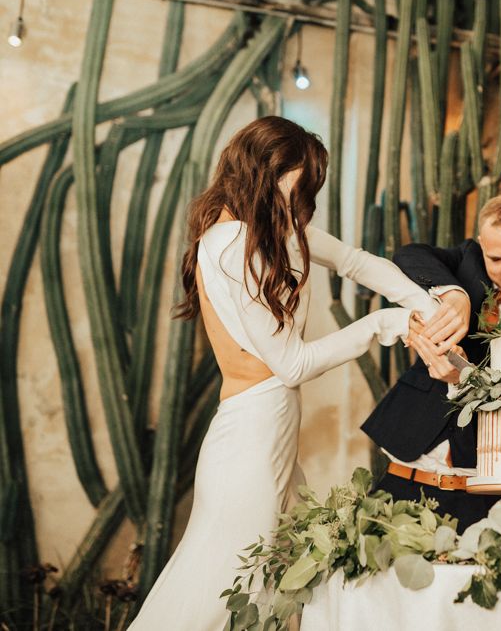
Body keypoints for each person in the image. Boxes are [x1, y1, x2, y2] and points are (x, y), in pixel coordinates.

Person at [128, 116, 438, 630]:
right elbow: (290, 364)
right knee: (220, 591)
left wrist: (428, 306)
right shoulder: (230, 243)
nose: (297, 205)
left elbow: (356, 262)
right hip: (250, 435)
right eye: (292, 186)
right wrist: (386, 323)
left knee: (276, 586)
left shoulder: (267, 230)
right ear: (256, 170)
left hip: (268, 431)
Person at [362, 193, 501, 531]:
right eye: (496, 258)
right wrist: (455, 294)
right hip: (403, 469)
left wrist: (463, 379)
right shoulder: (467, 260)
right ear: (482, 246)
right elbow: (408, 255)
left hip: (478, 489)